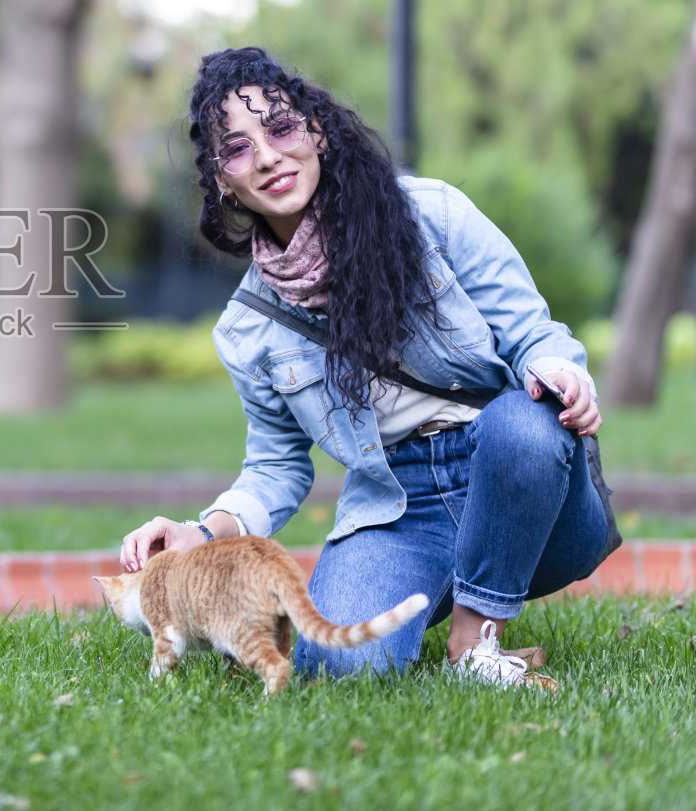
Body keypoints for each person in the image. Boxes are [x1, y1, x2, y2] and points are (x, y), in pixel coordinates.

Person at [119, 46, 610, 685]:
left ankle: (475, 639)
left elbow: (534, 334)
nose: (266, 156)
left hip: (515, 474)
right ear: (221, 180)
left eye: (281, 128)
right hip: (400, 504)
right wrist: (201, 533)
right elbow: (275, 467)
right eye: (237, 149)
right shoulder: (249, 329)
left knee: (525, 422)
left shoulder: (432, 214)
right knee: (338, 664)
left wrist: (561, 373)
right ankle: (447, 588)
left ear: (317, 132)